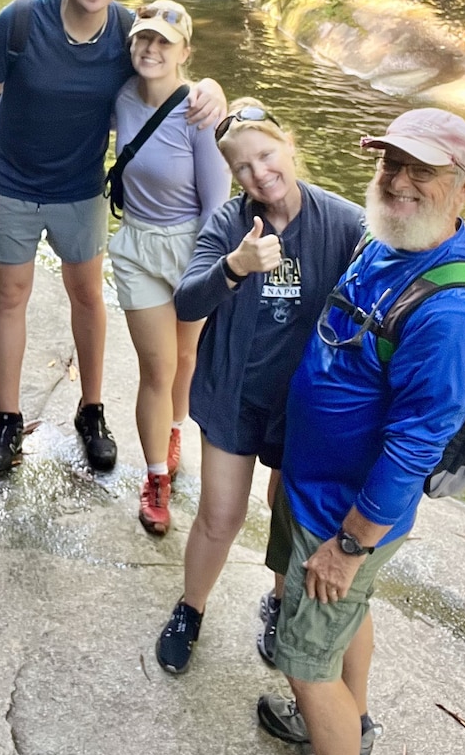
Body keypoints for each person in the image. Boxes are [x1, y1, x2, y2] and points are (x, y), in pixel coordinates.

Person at [250, 107, 465, 755]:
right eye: (391, 163)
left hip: (347, 518)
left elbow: (415, 442)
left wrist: (351, 544)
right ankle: (347, 729)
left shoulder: (454, 310)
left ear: (463, 188)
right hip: (315, 488)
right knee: (342, 627)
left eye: (419, 171)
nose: (396, 180)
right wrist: (288, 458)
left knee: (305, 658)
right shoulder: (390, 241)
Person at [0, 0, 225, 476]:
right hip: (9, 184)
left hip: (81, 190)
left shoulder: (129, 32)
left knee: (87, 294)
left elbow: (169, 69)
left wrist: (213, 90)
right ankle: (9, 419)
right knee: (11, 294)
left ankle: (92, 410)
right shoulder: (21, 20)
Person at [155, 100, 364, 672]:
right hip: (235, 394)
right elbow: (187, 299)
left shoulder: (345, 223)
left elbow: (389, 282)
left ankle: (278, 602)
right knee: (220, 515)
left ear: (289, 145)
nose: (260, 173)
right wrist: (236, 266)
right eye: (243, 167)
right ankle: (190, 609)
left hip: (305, 404)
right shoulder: (228, 223)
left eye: (267, 155)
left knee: (287, 513)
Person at [108, 1, 229, 535]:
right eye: (143, 40)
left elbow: (217, 204)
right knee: (157, 367)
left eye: (164, 42)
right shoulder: (120, 96)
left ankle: (174, 427)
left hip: (190, 247)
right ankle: (156, 476)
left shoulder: (200, 113)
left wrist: (207, 269)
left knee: (186, 355)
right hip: (136, 246)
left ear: (185, 52)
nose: (151, 50)